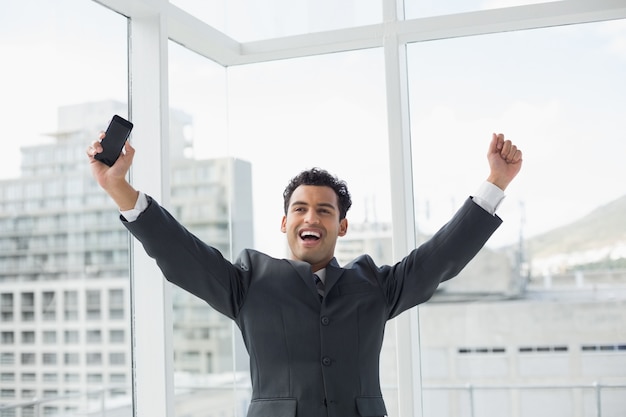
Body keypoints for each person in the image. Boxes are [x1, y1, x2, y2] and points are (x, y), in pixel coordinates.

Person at [87, 132, 522, 417]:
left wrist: (495, 183)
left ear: (341, 226)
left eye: (324, 210)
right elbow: (180, 252)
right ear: (284, 222)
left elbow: (439, 256)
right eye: (299, 208)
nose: (310, 216)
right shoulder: (247, 281)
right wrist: (120, 189)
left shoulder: (375, 285)